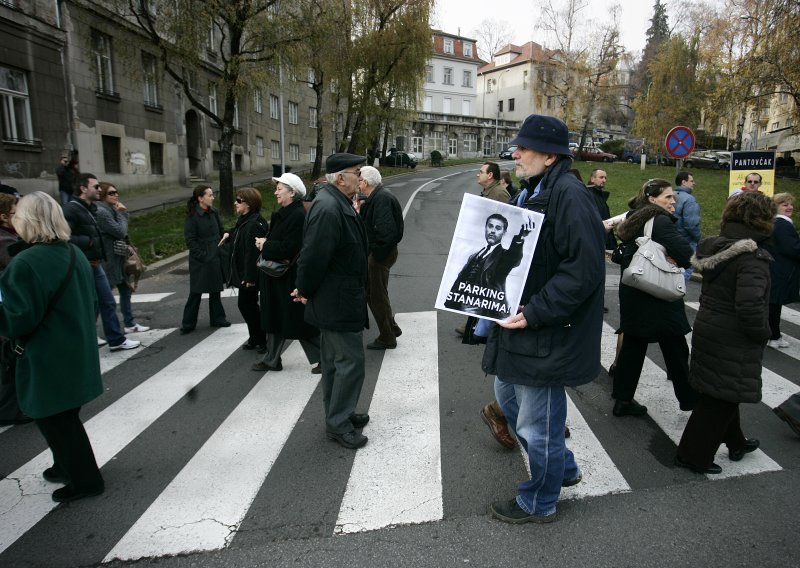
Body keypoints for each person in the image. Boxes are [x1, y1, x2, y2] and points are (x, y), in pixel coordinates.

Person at [485, 114, 605, 524]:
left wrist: (536, 311)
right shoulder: (535, 190)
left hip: (545, 331)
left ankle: (540, 500)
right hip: (523, 327)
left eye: (524, 148)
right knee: (507, 400)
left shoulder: (569, 196)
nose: (515, 153)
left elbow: (584, 270)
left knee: (540, 425)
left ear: (550, 156)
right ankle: (565, 469)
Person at [0, 192, 105, 502]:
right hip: (75, 348)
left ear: (28, 221)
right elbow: (93, 302)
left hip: (48, 354)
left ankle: (85, 481)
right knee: (63, 415)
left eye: (18, 215)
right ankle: (64, 465)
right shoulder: (72, 252)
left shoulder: (26, 263)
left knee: (55, 419)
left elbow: (17, 319)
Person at [675, 192, 776, 474]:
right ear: (762, 220)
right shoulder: (752, 257)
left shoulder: (715, 247)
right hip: (734, 335)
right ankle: (692, 456)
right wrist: (762, 333)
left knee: (721, 389)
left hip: (711, 327)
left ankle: (736, 442)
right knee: (720, 397)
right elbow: (750, 306)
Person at [293, 153, 370, 450]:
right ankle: (338, 424)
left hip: (338, 297)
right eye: (356, 172)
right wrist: (304, 288)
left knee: (336, 362)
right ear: (340, 178)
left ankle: (342, 413)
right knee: (350, 362)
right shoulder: (328, 207)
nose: (360, 177)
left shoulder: (335, 202)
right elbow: (313, 256)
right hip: (335, 300)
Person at [612, 179, 695, 417]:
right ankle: (690, 399)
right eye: (668, 197)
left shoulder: (634, 218)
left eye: (673, 197)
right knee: (676, 348)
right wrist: (677, 258)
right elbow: (685, 252)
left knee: (633, 347)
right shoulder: (659, 221)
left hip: (635, 290)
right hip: (658, 294)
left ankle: (622, 399)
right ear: (652, 200)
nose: (673, 201)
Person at [63, 173, 140, 351]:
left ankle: (115, 339)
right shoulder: (71, 209)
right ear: (83, 188)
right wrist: (88, 242)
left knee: (106, 302)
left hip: (96, 263)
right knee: (93, 303)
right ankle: (90, 338)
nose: (99, 190)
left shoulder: (91, 209)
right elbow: (64, 237)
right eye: (96, 187)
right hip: (84, 264)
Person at [253, 173, 320, 373]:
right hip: (277, 276)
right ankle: (271, 359)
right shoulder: (286, 212)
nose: (275, 192)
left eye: (280, 188)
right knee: (275, 318)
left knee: (297, 322)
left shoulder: (298, 215)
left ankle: (325, 357)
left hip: (287, 277)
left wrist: (266, 244)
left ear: (292, 192)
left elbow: (291, 247)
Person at [444, 213, 531, 320]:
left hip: (484, 307)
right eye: (490, 226)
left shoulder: (504, 256)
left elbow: (514, 258)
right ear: (485, 228)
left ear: (504, 232)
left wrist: (520, 237)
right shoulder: (474, 255)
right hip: (462, 302)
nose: (493, 231)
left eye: (498, 228)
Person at [357, 166, 404, 350]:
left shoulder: (381, 198)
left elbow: (387, 233)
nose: (358, 183)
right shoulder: (378, 197)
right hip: (380, 253)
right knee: (376, 294)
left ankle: (387, 337)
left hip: (380, 255)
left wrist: (374, 253)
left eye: (359, 180)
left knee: (376, 296)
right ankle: (391, 328)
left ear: (366, 182)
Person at [95, 183, 149, 334]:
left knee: (125, 290)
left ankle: (130, 323)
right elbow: (120, 231)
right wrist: (123, 214)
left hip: (119, 258)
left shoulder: (110, 210)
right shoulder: (102, 212)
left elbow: (122, 233)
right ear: (103, 195)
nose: (116, 195)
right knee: (103, 297)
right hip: (108, 261)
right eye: (111, 193)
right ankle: (92, 330)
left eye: (116, 192)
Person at [220, 187, 267, 351]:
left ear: (248, 203)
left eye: (239, 201)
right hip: (246, 274)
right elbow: (238, 231)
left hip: (251, 275)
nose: (235, 203)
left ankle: (262, 339)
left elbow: (252, 254)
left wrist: (249, 278)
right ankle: (256, 337)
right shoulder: (246, 220)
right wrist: (228, 233)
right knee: (248, 305)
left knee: (248, 306)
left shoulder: (253, 224)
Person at [0, 193, 31, 425]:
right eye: (15, 213)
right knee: (9, 359)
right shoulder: (5, 243)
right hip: (6, 307)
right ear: (3, 217)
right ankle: (10, 409)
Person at [181, 185, 230, 333]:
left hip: (215, 255)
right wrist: (202, 256)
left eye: (212, 194)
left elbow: (221, 230)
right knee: (196, 292)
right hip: (200, 259)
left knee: (215, 289)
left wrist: (225, 237)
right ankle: (188, 324)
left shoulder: (214, 212)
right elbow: (190, 240)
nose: (213, 197)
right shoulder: (192, 216)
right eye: (209, 195)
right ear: (200, 198)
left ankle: (218, 319)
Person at [763, 193, 800, 349]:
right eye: (784, 204)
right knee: (774, 305)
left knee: (772, 304)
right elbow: (792, 248)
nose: (789, 207)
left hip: (774, 268)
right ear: (776, 207)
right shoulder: (783, 225)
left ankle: (772, 334)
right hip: (781, 271)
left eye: (790, 204)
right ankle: (774, 336)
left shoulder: (774, 223)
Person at [673, 171, 701, 281]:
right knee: (686, 270)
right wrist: (698, 237)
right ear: (683, 182)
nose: (694, 183)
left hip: (671, 238)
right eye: (691, 181)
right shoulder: (689, 200)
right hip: (687, 241)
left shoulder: (670, 195)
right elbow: (691, 224)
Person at [585, 168, 617, 251]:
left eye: (605, 178)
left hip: (605, 237)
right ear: (592, 179)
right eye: (601, 177)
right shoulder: (588, 195)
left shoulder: (599, 195)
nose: (604, 180)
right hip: (596, 239)